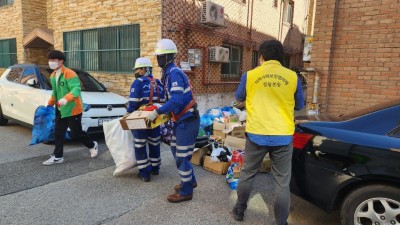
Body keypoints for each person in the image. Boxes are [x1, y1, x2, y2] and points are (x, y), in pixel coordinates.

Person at [232, 40, 304, 225]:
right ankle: (281, 222)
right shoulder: (293, 77)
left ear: (261, 56)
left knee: (248, 173)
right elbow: (300, 105)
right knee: (282, 182)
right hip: (282, 135)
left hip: (256, 134)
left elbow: (239, 97)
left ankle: (240, 209)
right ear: (281, 57)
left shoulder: (250, 75)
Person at [146, 39, 200, 203]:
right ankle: (190, 180)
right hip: (182, 120)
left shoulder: (174, 73)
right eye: (158, 56)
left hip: (187, 120)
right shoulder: (168, 72)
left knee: (182, 156)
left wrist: (157, 111)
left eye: (160, 56)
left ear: (169, 57)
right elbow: (173, 100)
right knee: (176, 152)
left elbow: (176, 101)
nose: (158, 59)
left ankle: (186, 191)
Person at [43, 50, 98, 165]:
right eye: (49, 60)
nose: (50, 62)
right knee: (58, 133)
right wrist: (50, 103)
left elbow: (76, 89)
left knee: (76, 133)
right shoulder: (53, 75)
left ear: (61, 61)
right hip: (60, 109)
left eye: (53, 60)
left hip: (73, 109)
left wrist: (65, 99)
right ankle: (58, 157)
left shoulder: (69, 73)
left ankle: (92, 145)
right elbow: (55, 92)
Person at [126, 57, 166, 182]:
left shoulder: (138, 82)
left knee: (140, 145)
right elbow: (163, 101)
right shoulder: (158, 83)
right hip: (155, 119)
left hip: (140, 119)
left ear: (143, 69)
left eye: (137, 69)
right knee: (154, 143)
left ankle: (144, 173)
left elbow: (133, 103)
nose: (136, 72)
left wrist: (127, 114)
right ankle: (155, 168)